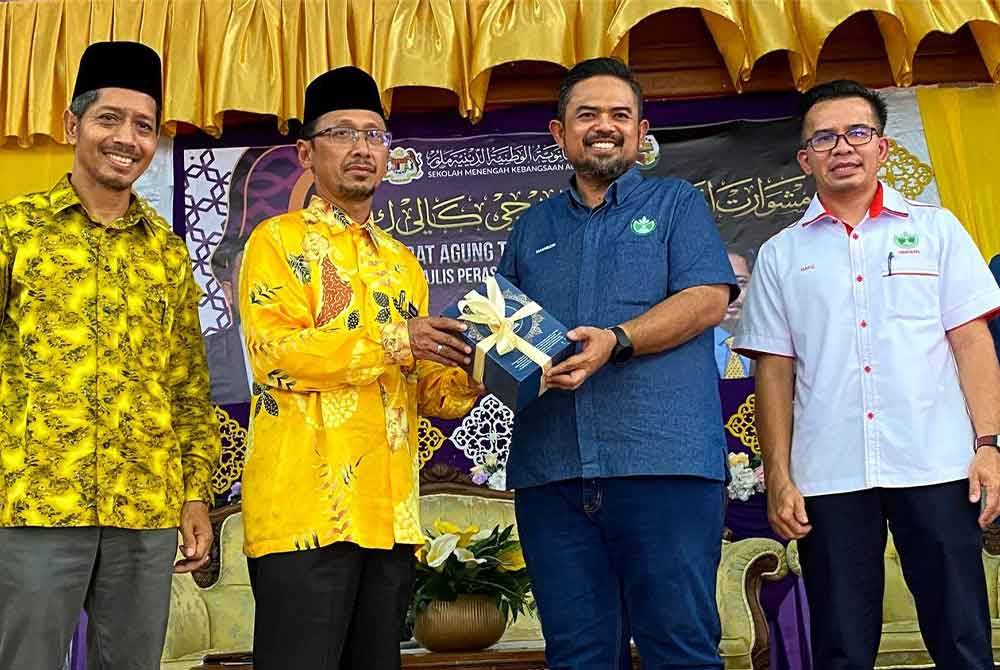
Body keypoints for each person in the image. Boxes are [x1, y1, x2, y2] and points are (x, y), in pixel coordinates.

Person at [735, 79, 1000, 669]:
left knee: (962, 638)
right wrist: (778, 474)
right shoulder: (780, 253)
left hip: (936, 461)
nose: (842, 147)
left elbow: (972, 342)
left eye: (858, 132)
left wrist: (989, 445)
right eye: (824, 138)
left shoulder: (937, 230)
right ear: (805, 159)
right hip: (830, 473)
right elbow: (774, 372)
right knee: (841, 646)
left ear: (882, 147)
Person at [238, 66, 483, 670]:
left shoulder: (403, 262)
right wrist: (399, 339)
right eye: (342, 133)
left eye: (374, 135)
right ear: (305, 152)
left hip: (389, 519)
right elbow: (276, 356)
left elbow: (425, 391)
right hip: (305, 515)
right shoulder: (276, 241)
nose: (361, 149)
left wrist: (479, 372)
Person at [496, 57, 737, 669]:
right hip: (552, 476)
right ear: (560, 133)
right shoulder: (530, 229)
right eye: (587, 115)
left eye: (619, 115)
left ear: (640, 130)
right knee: (576, 656)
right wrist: (466, 354)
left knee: (679, 649)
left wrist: (617, 340)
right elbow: (502, 337)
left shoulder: (677, 203)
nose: (604, 126)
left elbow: (708, 298)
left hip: (665, 467)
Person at [0, 41, 220, 669]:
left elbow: (186, 386)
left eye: (144, 125)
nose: (127, 138)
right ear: (73, 125)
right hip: (37, 502)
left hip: (145, 509)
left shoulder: (167, 253)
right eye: (109, 119)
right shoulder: (15, 231)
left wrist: (195, 494)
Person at [714, 247, 752, 378]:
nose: (733, 295)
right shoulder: (690, 348)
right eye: (722, 284)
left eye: (741, 282)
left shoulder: (772, 343)